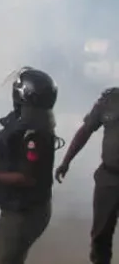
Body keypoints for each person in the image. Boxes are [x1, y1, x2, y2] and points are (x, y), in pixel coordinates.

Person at [0, 67, 58, 264]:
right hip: (23, 209)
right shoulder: (31, 123)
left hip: (23, 213)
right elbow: (16, 161)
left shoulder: (33, 133)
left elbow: (25, 178)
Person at [55, 87, 119, 264]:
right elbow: (85, 131)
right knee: (101, 235)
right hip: (109, 177)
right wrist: (66, 161)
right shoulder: (110, 100)